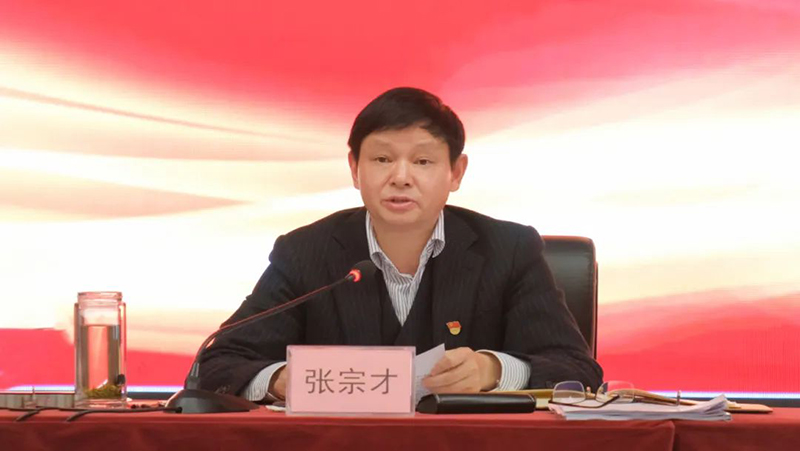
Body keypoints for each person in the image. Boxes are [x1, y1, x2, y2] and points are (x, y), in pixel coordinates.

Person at [199, 87, 603, 401]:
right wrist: (282, 380)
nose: (401, 177)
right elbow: (219, 363)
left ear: (456, 172)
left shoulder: (509, 249)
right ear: (354, 168)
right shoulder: (305, 252)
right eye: (382, 159)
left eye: (423, 161)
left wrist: (493, 371)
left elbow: (576, 369)